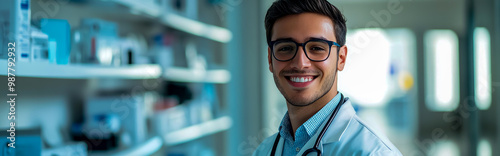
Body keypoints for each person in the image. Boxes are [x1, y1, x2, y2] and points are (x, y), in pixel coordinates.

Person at [253, 0, 402, 155]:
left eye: (317, 48)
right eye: (286, 48)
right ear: (270, 59)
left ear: (341, 58)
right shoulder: (263, 151)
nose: (300, 63)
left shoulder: (374, 152)